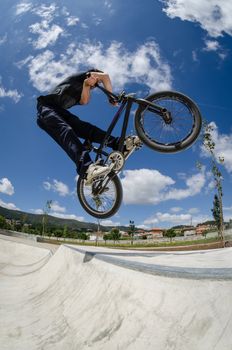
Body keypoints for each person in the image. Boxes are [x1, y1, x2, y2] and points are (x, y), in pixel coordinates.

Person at [36, 68, 139, 184]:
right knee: (66, 131)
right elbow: (105, 76)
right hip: (46, 108)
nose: (95, 86)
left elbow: (84, 101)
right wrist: (111, 95)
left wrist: (86, 86)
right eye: (96, 82)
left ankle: (120, 144)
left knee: (86, 128)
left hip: (60, 112)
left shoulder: (85, 87)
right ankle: (87, 168)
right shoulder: (79, 77)